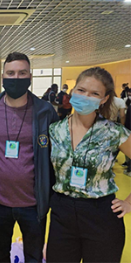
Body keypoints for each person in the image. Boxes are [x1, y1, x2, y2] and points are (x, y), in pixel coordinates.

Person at [0, 52, 59, 263]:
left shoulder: (45, 111)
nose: (16, 78)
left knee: (34, 256)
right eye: (11, 73)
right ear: (3, 77)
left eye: (22, 73)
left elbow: (54, 153)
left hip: (34, 204)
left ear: (30, 77)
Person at [47, 67, 131, 263]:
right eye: (81, 90)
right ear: (73, 91)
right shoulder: (54, 130)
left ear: (103, 99)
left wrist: (128, 202)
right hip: (62, 212)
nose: (86, 97)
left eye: (94, 93)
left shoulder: (113, 132)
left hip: (100, 214)